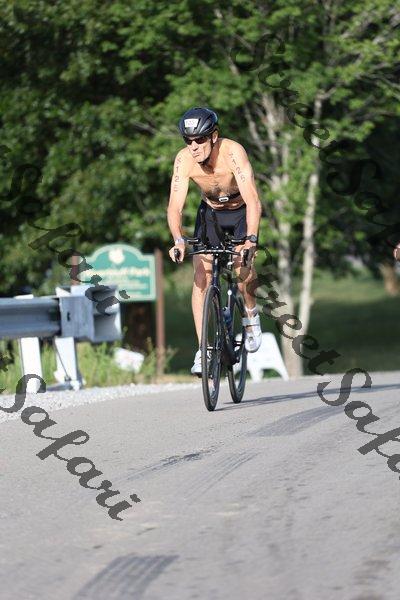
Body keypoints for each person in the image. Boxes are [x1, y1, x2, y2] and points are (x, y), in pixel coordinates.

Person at [167, 107, 263, 375]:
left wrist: (251, 240)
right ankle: (204, 349)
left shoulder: (233, 152)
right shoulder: (184, 160)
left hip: (240, 211)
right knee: (202, 277)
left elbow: (253, 200)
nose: (194, 147)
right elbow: (174, 206)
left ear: (213, 136)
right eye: (188, 141)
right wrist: (178, 239)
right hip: (210, 214)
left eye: (199, 139)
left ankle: (251, 314)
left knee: (242, 269)